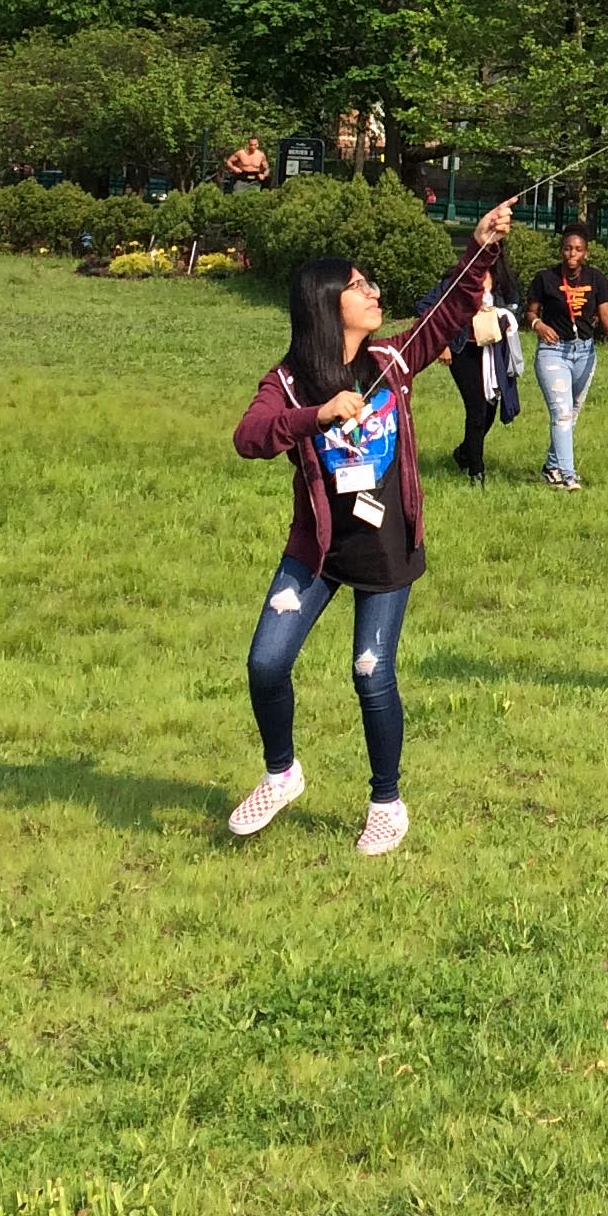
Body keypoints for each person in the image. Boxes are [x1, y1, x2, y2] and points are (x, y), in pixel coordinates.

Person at [228, 197, 517, 856]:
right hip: (318, 550)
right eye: (359, 286)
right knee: (266, 663)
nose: (373, 292)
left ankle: (387, 803)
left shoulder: (392, 357)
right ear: (327, 306)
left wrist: (481, 247)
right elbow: (249, 437)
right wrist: (318, 414)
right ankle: (281, 773)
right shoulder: (289, 383)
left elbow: (446, 315)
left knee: (370, 670)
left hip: (386, 548)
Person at [525, 222, 608, 491]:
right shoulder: (545, 278)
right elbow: (530, 312)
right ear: (561, 251)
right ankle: (568, 475)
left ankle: (551, 467)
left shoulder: (595, 278)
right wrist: (539, 325)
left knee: (571, 414)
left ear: (586, 253)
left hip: (584, 352)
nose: (572, 254)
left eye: (578, 249)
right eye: (568, 248)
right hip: (553, 353)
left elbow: (604, 310)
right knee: (561, 413)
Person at [442, 225, 525, 483]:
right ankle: (477, 471)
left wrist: (504, 315)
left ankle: (464, 452)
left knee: (490, 407)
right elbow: (432, 307)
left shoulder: (504, 280)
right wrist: (443, 344)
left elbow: (516, 307)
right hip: (463, 349)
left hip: (493, 350)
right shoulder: (459, 277)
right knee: (476, 406)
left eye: (493, 246)